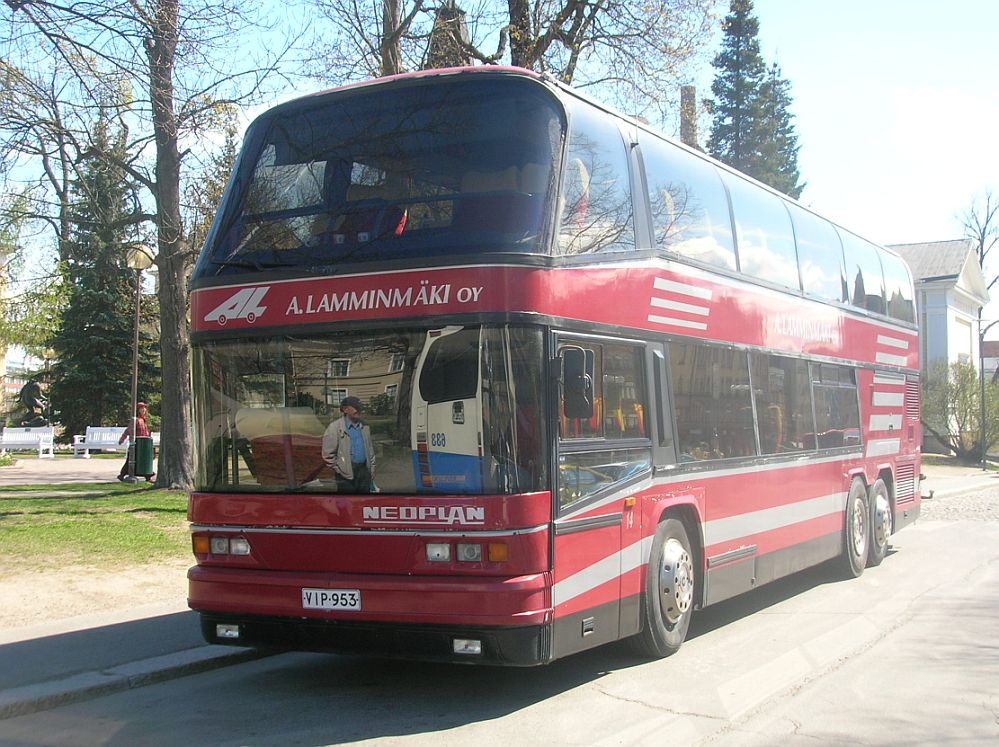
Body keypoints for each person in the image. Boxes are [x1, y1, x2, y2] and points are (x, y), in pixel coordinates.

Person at [321, 396, 375, 493]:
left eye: (360, 408)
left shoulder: (365, 426)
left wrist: (372, 468)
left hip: (363, 471)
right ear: (345, 409)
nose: (359, 410)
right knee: (347, 504)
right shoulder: (335, 427)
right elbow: (327, 454)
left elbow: (370, 449)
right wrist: (340, 469)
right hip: (345, 476)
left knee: (363, 502)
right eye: (356, 408)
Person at [118, 402, 155, 482]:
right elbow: (128, 430)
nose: (144, 410)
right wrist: (122, 439)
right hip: (136, 443)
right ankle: (122, 475)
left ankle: (148, 476)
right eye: (141, 408)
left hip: (143, 444)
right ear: (138, 410)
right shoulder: (136, 420)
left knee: (144, 460)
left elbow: (145, 432)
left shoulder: (144, 420)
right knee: (130, 460)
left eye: (144, 408)